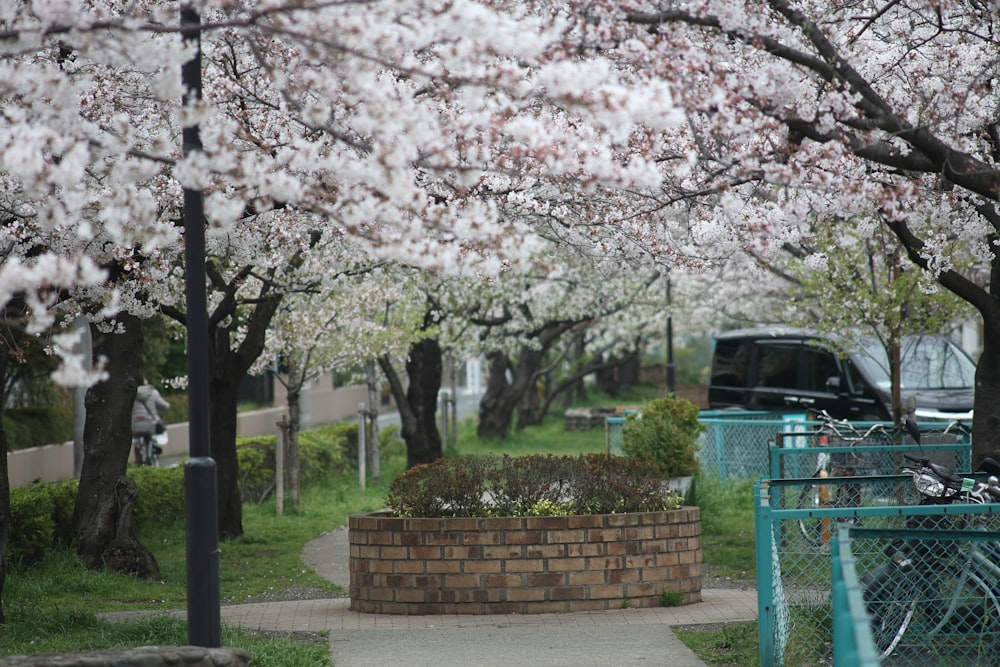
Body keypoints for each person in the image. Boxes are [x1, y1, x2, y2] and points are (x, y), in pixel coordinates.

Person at [131, 377, 170, 465]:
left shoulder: (130, 394)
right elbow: (164, 405)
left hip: (135, 424)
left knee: (137, 442)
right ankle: (152, 450)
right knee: (153, 433)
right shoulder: (153, 392)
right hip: (151, 423)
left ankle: (138, 462)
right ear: (144, 382)